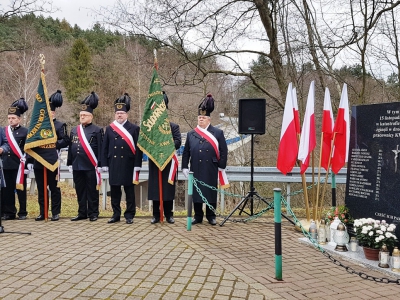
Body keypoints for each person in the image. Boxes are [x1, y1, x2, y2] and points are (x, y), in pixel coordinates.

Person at [182, 94, 229, 225]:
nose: (201, 120)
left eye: (203, 118)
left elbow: (223, 151)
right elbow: (186, 152)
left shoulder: (217, 133)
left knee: (210, 191)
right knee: (196, 192)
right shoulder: (192, 133)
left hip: (211, 167)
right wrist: (184, 166)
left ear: (209, 119)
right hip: (195, 167)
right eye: (199, 117)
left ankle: (211, 215)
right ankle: (198, 216)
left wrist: (222, 165)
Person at [101, 93, 142, 224]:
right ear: (115, 114)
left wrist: (137, 164)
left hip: (128, 164)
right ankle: (116, 214)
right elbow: (104, 147)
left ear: (126, 115)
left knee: (129, 190)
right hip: (114, 163)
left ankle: (129, 215)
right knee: (114, 190)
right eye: (117, 113)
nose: (119, 115)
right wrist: (104, 164)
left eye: (122, 113)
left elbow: (138, 148)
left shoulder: (134, 128)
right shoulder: (109, 129)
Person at [32, 90, 69, 221]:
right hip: (39, 161)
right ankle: (43, 212)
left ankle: (55, 212)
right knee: (41, 188)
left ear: (54, 112)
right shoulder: (37, 126)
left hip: (52, 160)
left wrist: (53, 144)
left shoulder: (60, 125)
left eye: (51, 112)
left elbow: (65, 140)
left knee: (54, 188)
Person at [67, 92, 103, 222]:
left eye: (85, 115)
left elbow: (100, 148)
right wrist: (69, 163)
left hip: (90, 165)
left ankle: (93, 212)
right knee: (80, 190)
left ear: (91, 116)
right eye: (81, 115)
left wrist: (100, 164)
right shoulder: (74, 130)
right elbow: (71, 147)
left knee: (92, 190)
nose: (82, 117)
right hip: (77, 165)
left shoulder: (97, 130)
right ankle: (82, 212)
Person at [148, 92, 181, 224]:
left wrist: (167, 143)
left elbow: (178, 142)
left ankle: (169, 214)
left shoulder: (174, 127)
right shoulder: (150, 127)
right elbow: (146, 141)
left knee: (168, 189)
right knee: (155, 189)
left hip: (168, 161)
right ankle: (156, 215)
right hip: (155, 161)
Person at [1, 98, 28, 220]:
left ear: (19, 119)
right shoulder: (3, 131)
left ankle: (22, 212)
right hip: (6, 164)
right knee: (7, 190)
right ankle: (9, 212)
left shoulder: (25, 131)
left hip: (19, 165)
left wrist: (28, 163)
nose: (11, 120)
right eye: (9, 118)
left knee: (21, 189)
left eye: (13, 118)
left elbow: (27, 149)